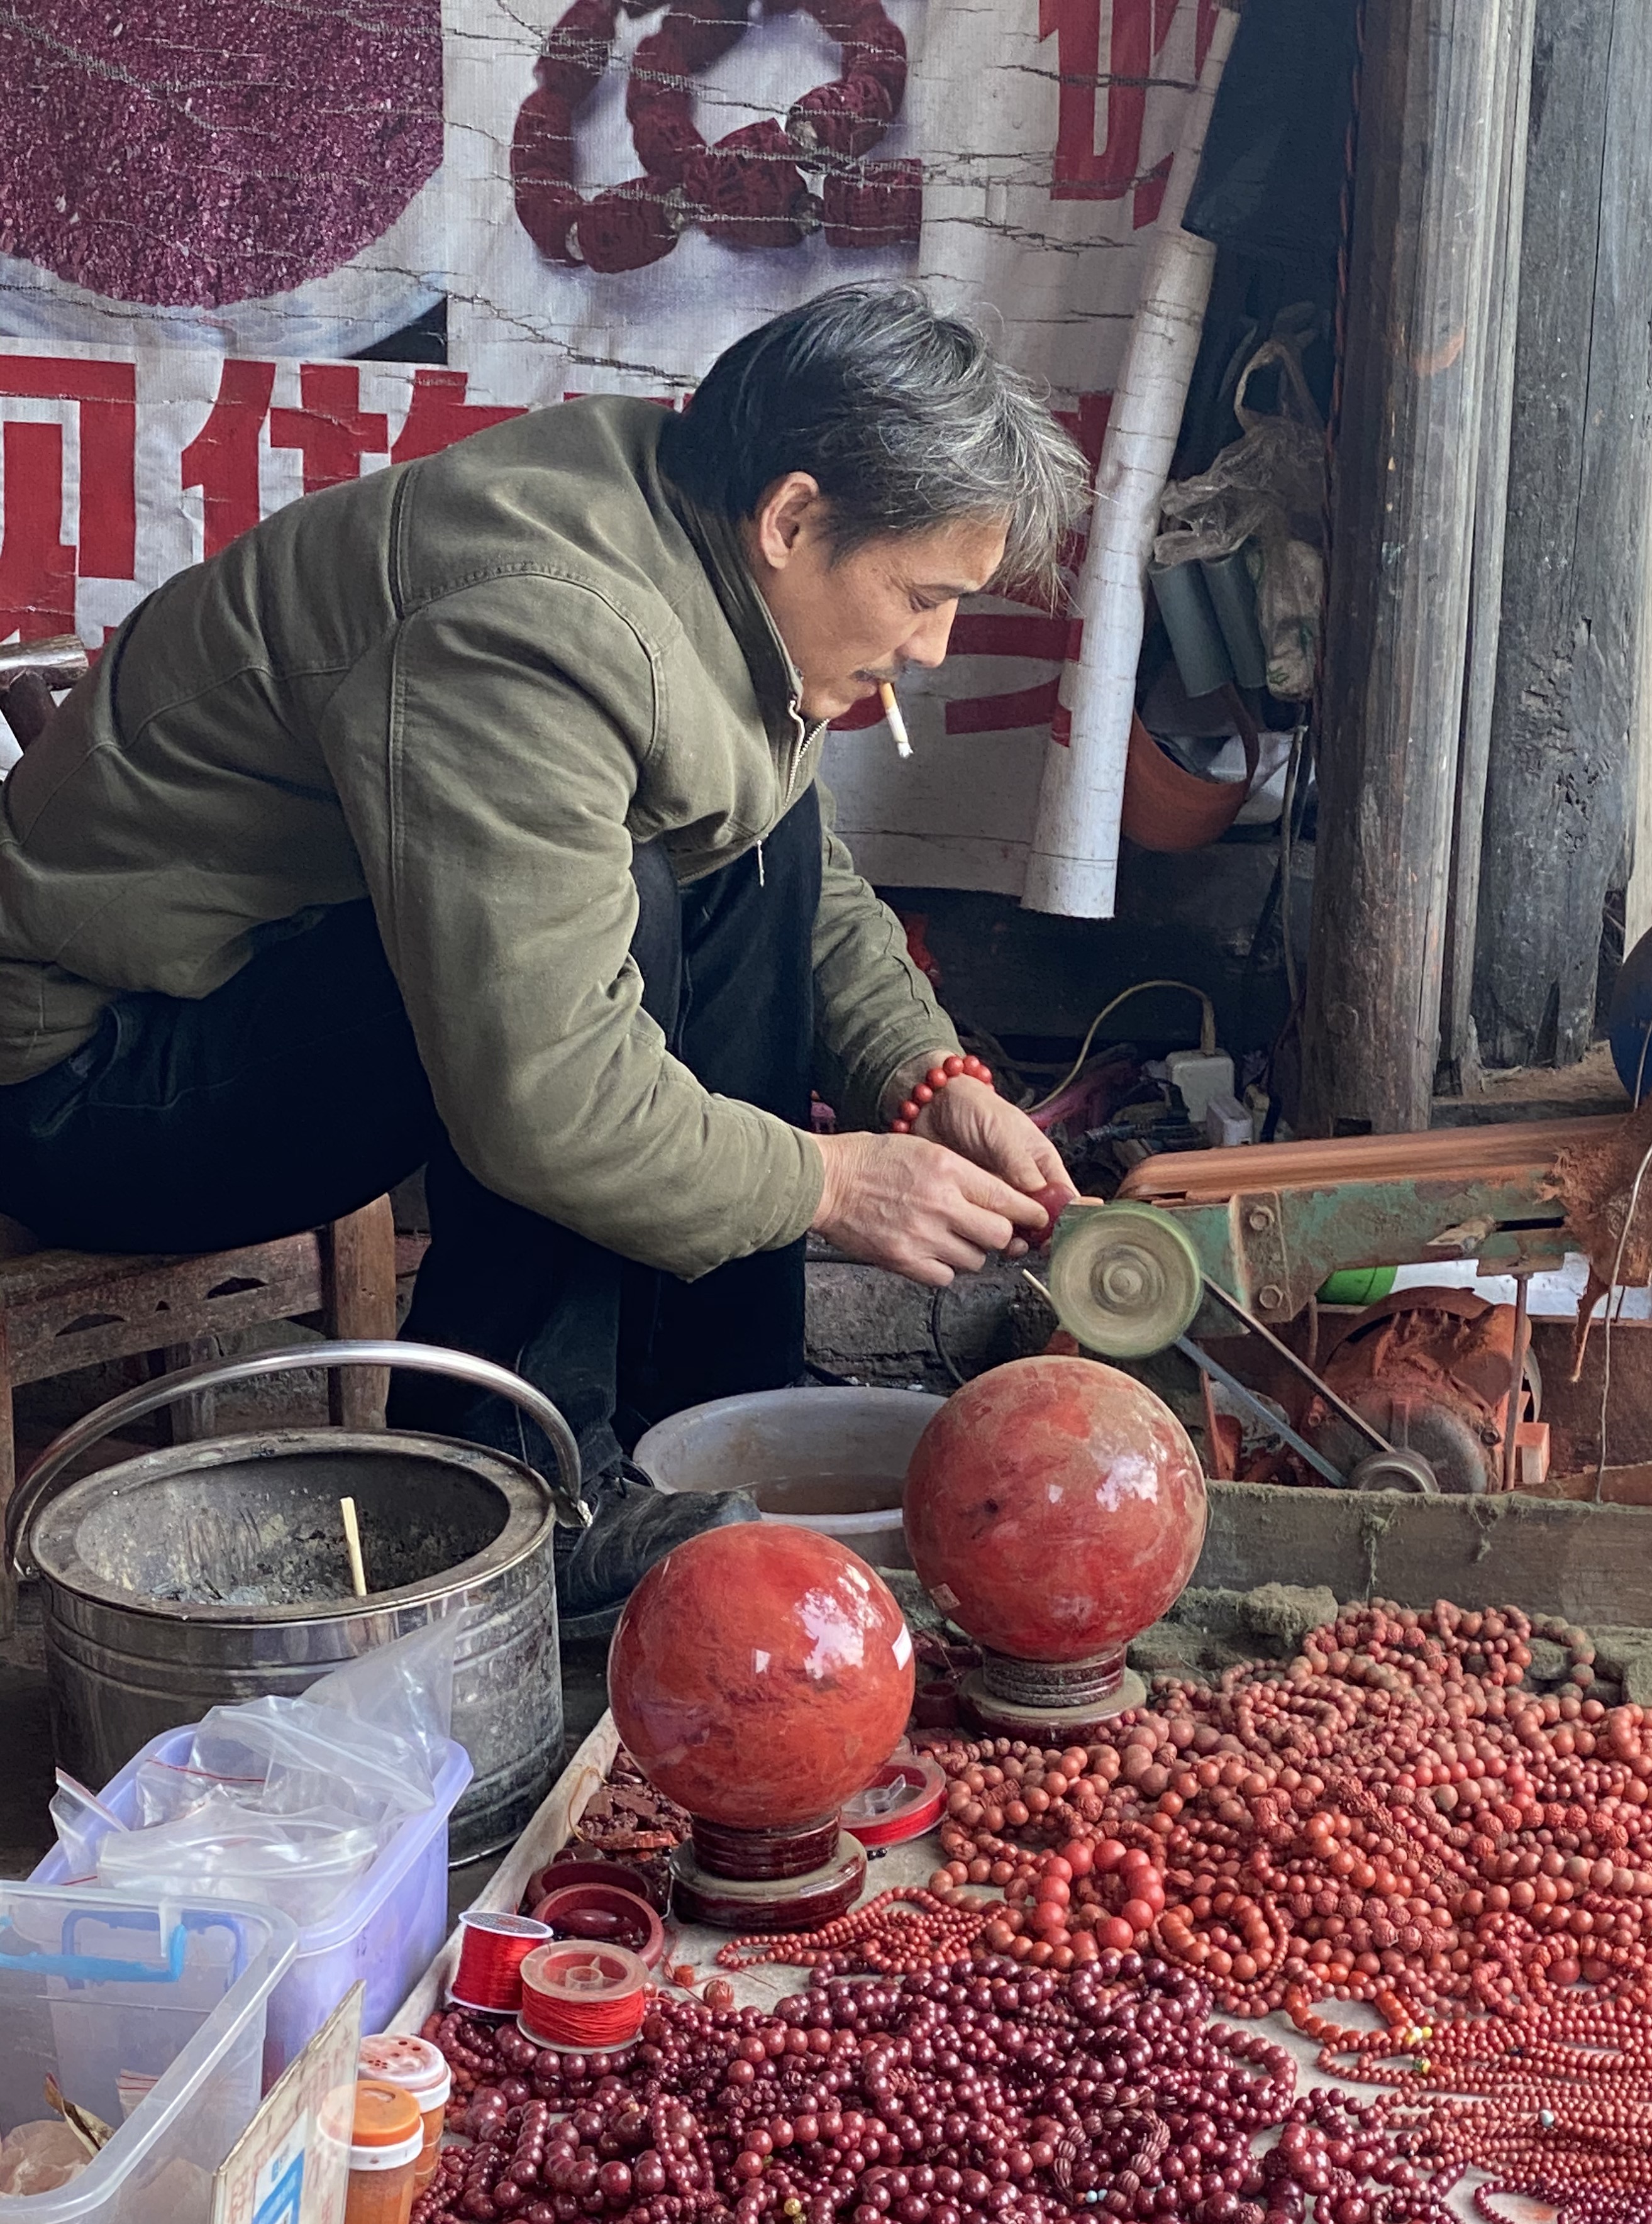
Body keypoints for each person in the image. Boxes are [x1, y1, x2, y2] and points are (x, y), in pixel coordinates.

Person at [0, 284, 1089, 1634]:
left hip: (257, 995)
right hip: (89, 1083)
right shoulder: (537, 625)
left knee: (731, 848)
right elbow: (549, 1099)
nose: (930, 647)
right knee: (606, 925)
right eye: (923, 598)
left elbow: (778, 847)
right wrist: (832, 1182)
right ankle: (516, 1487)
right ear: (795, 520)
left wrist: (924, 1079)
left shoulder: (696, 526)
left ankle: (713, 1411)